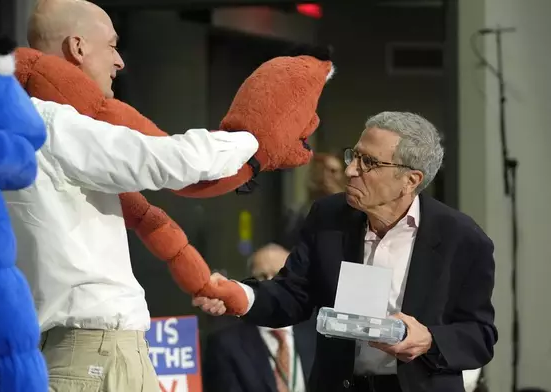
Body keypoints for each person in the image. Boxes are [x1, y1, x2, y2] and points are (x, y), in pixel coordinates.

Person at [0, 0, 258, 391]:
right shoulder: (53, 124)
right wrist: (256, 140)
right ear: (78, 47)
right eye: (112, 46)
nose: (120, 61)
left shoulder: (5, 126)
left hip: (67, 351)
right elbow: (170, 159)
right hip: (93, 354)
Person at [193, 111, 498, 392]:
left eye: (369, 163)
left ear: (410, 180)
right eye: (354, 156)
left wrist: (429, 340)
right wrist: (240, 295)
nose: (351, 170)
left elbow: (480, 336)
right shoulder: (329, 216)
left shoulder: (462, 239)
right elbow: (292, 294)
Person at [203, 243, 316, 392]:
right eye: (262, 276)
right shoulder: (225, 344)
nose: (270, 283)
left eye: (279, 276)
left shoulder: (317, 334)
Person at [280, 152, 346, 249]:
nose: (326, 175)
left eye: (333, 171)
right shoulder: (298, 213)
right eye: (323, 170)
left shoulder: (351, 207)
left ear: (343, 176)